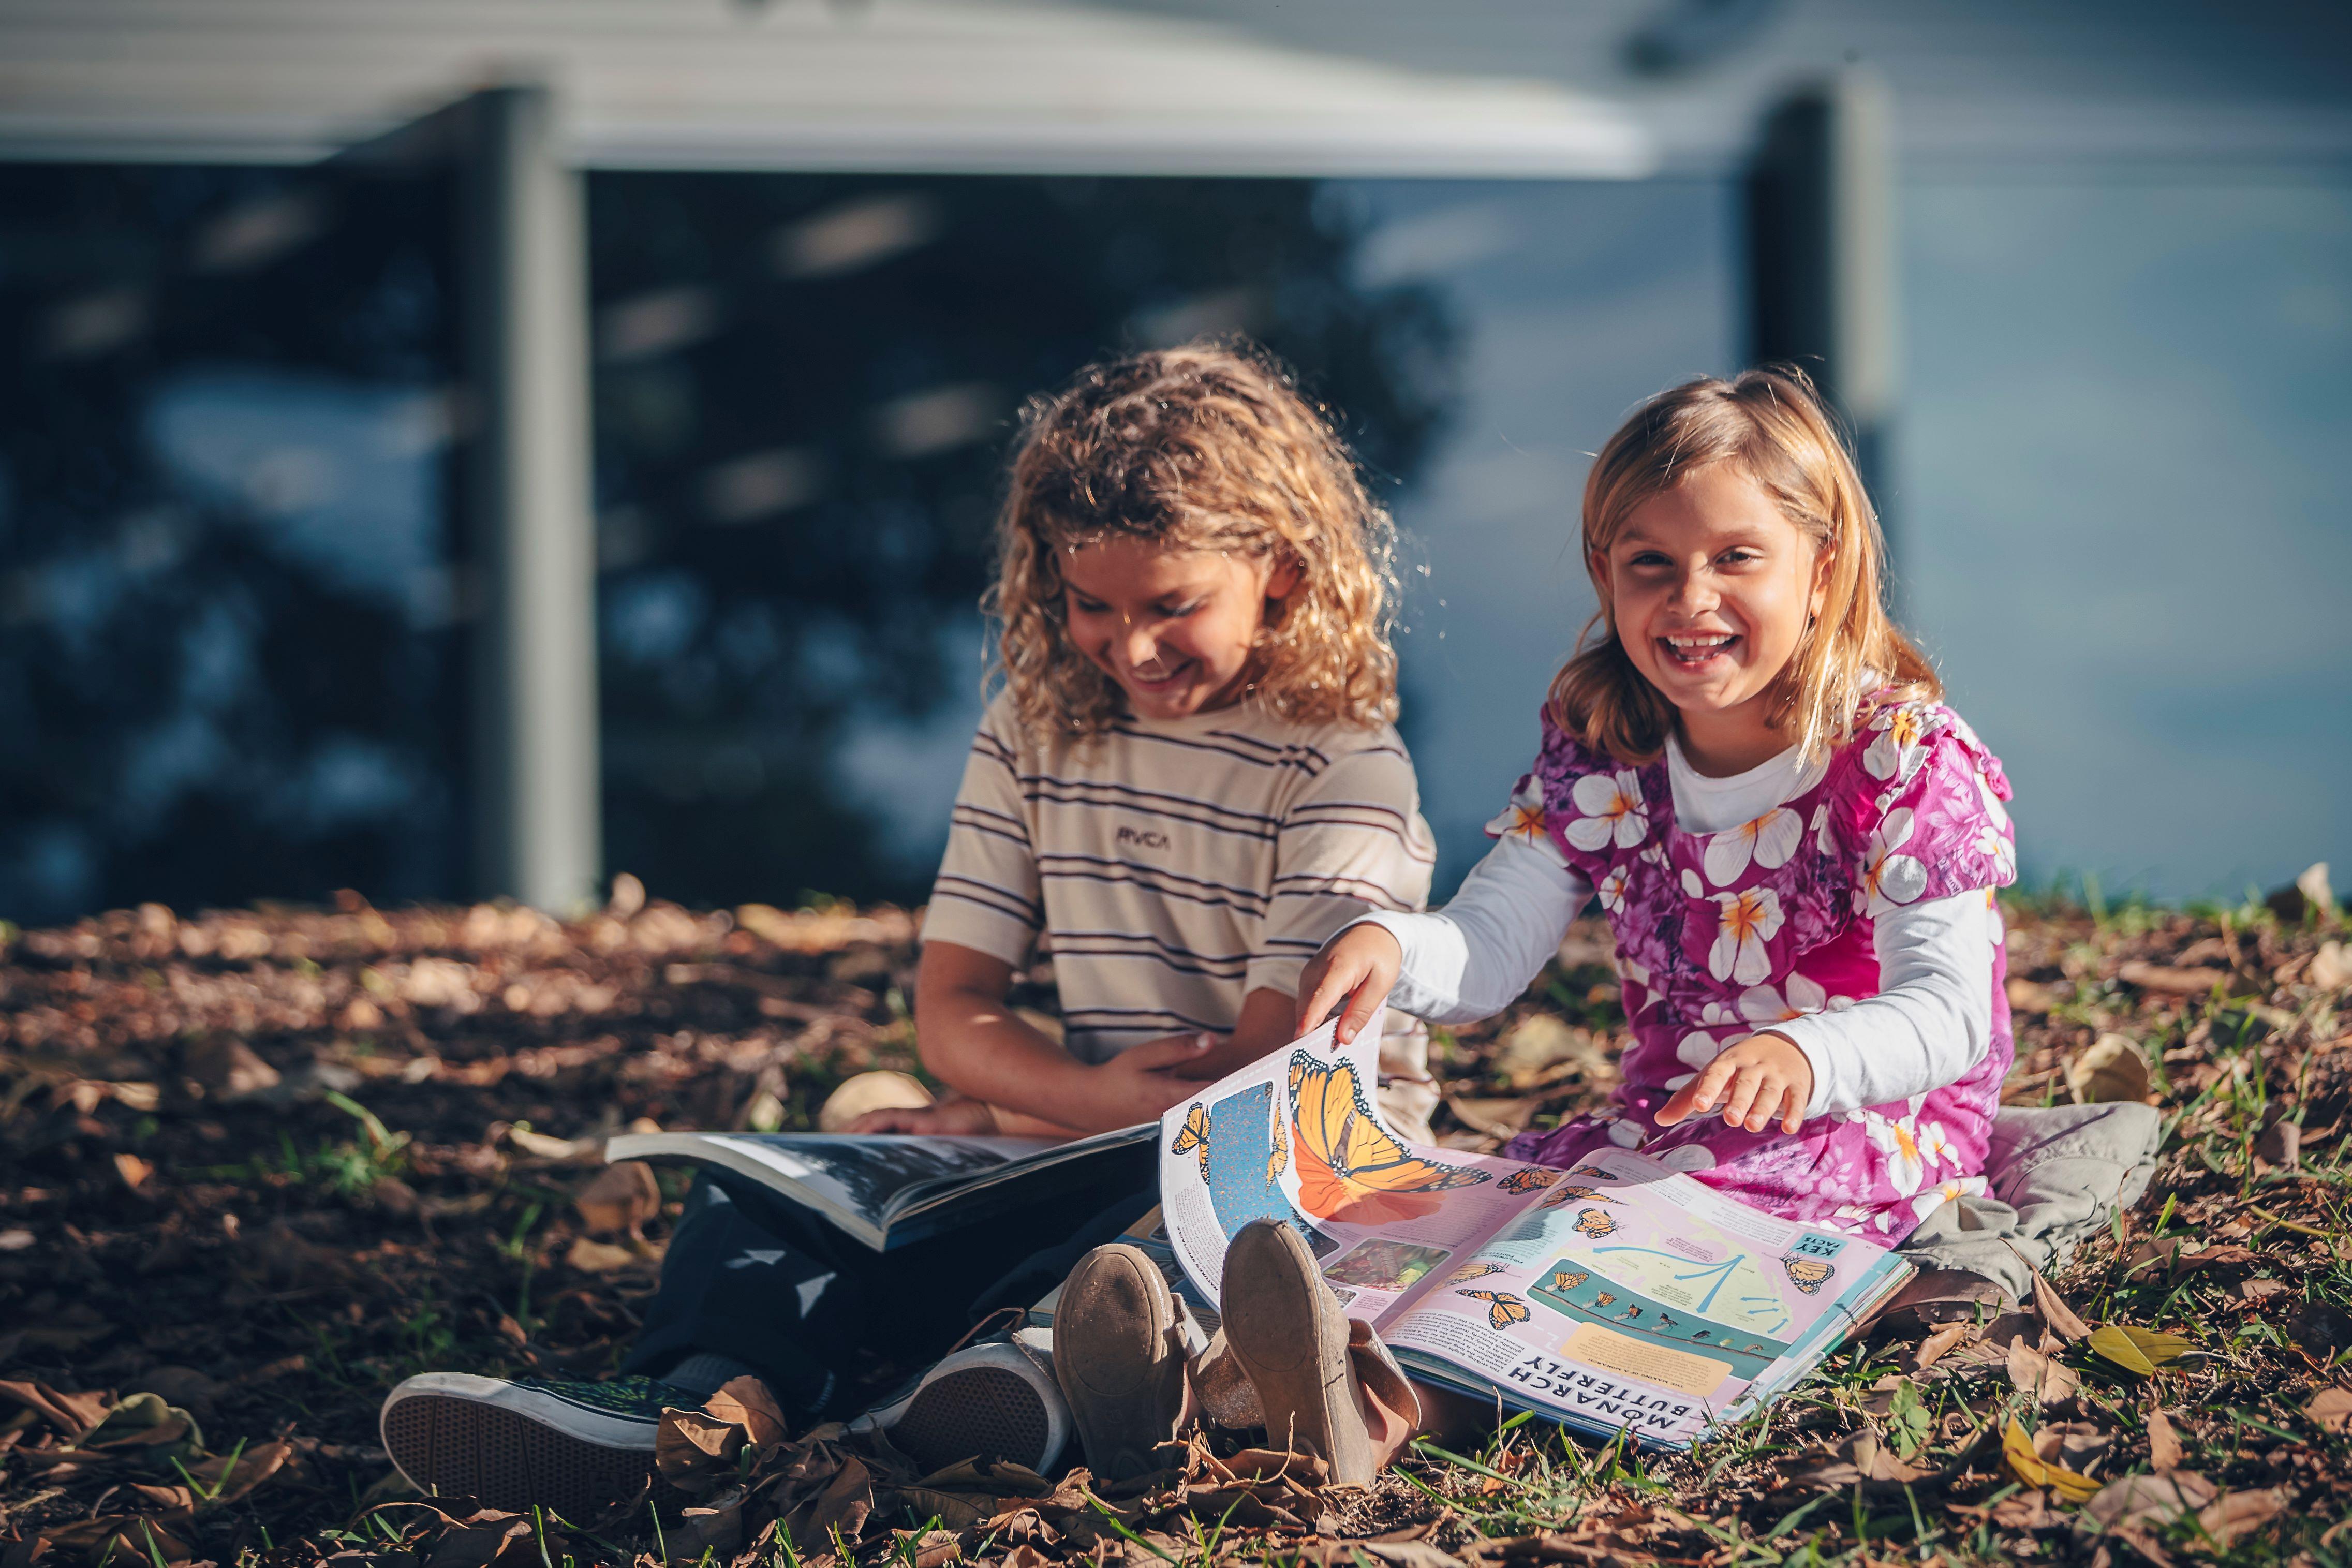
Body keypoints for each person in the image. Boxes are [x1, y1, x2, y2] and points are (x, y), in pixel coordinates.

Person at [377, 342, 1438, 1514]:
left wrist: (1042, 1106)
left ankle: (1022, 1371)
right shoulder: (1034, 740)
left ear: (1281, 574)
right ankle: (705, 1405)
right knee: (765, 1194)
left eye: (1172, 607)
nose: (1130, 648)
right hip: (1088, 1137)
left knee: (1145, 1220)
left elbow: (1263, 1072)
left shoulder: (1343, 766)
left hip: (1277, 1184)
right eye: (1091, 605)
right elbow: (952, 1008)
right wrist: (1042, 1108)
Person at [1117, 365, 2030, 1483]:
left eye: (1735, 558)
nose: (1689, 598)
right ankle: (1189, 1374)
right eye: (1650, 564)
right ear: (1605, 573)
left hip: (1864, 1131)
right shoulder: (1607, 742)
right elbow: (1493, 941)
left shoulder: (1901, 759)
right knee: (1483, 1218)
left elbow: (1947, 1017)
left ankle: (1369, 1418)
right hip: (1664, 1129)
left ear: (1821, 564)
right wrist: (1391, 946)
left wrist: (1805, 1050)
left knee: (1585, 1254)